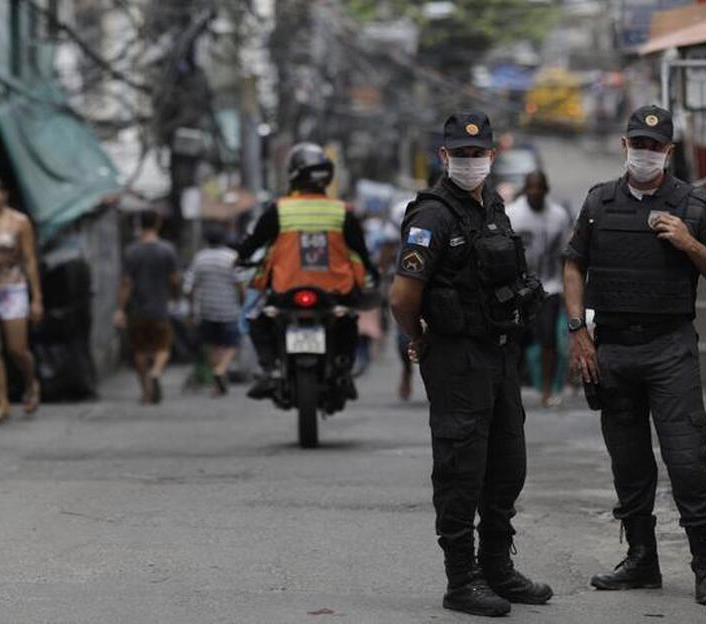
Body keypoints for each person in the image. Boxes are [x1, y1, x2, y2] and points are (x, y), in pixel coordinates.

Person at [563, 105, 706, 607]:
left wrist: (688, 244)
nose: (645, 153)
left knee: (687, 461)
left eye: (655, 146)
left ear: (669, 151)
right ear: (624, 145)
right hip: (614, 346)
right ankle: (642, 561)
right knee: (630, 463)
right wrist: (578, 330)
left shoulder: (694, 205)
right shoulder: (599, 202)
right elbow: (573, 264)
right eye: (638, 144)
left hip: (670, 347)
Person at [389, 112, 552, 617]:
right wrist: (420, 339)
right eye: (460, 154)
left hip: (498, 352)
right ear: (444, 157)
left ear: (491, 157)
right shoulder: (431, 216)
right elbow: (401, 298)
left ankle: (498, 567)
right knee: (462, 469)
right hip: (456, 356)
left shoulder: (495, 207)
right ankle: (462, 579)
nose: (469, 162)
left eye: (477, 154)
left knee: (507, 465)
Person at [235, 142, 378, 401]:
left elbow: (254, 242)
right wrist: (371, 273)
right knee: (347, 320)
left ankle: (269, 369)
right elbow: (360, 250)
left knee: (258, 317)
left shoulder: (279, 209)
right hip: (334, 292)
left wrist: (240, 258)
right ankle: (344, 369)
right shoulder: (342, 210)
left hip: (285, 290)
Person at [0, 176, 43, 424]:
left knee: (17, 349)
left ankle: (30, 383)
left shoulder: (19, 222)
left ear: (3, 195)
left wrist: (37, 298)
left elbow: (29, 260)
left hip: (14, 289)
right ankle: (3, 404)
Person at [506, 171, 571, 406]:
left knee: (548, 339)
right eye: (531, 188)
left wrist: (567, 288)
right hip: (518, 286)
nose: (535, 193)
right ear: (525, 189)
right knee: (515, 339)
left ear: (546, 190)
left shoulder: (558, 216)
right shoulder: (513, 214)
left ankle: (546, 387)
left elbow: (565, 254)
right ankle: (511, 387)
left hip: (548, 286)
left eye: (539, 188)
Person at [113, 209, 180, 405]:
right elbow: (174, 279)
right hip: (160, 308)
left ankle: (145, 393)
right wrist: (175, 296)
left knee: (140, 351)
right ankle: (157, 371)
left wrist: (120, 309)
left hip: (136, 310)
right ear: (158, 223)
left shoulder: (131, 251)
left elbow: (126, 282)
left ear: (139, 224)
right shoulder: (167, 250)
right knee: (163, 347)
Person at [184, 224, 243, 396]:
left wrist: (191, 307)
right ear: (224, 239)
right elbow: (240, 284)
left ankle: (218, 384)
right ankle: (221, 370)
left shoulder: (200, 258)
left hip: (206, 310)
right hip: (229, 309)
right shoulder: (231, 257)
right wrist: (243, 302)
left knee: (212, 346)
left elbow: (188, 287)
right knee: (232, 344)